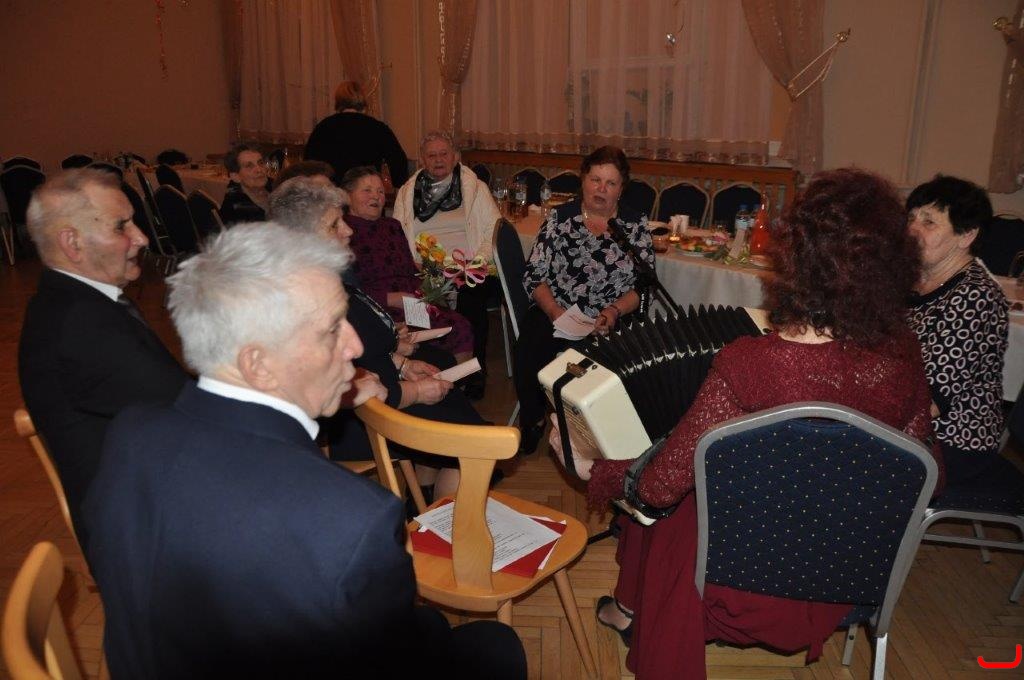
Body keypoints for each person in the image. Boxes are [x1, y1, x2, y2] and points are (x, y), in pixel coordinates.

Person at [81, 223, 526, 679]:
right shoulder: (352, 518)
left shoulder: (130, 434)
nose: (355, 345)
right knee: (497, 645)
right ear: (258, 363)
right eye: (332, 329)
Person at [551, 168, 945, 679]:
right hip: (846, 574)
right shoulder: (903, 356)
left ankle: (638, 613)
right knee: (692, 474)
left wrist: (592, 467)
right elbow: (927, 470)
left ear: (796, 259)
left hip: (735, 578)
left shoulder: (748, 363)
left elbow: (657, 488)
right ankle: (630, 610)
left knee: (675, 494)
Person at [269, 177, 486, 499]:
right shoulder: (309, 298)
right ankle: (444, 521)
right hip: (357, 421)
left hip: (380, 396)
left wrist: (400, 364)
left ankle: (425, 500)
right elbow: (338, 382)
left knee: (458, 407)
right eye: (335, 224)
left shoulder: (321, 278)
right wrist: (414, 391)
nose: (348, 230)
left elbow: (363, 351)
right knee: (480, 449)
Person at [18, 169, 189, 543]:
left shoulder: (77, 301)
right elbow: (193, 413)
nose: (141, 237)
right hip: (143, 534)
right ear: (72, 243)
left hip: (152, 491)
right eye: (121, 226)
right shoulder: (82, 325)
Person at [515, 145, 654, 455]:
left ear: (621, 189)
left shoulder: (634, 225)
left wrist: (614, 311)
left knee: (615, 357)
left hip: (610, 317)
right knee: (531, 340)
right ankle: (534, 418)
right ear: (583, 181)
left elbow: (643, 288)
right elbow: (534, 275)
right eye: (595, 180)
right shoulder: (560, 218)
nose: (601, 189)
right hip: (558, 309)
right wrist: (554, 310)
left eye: (610, 183)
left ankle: (592, 432)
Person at [905, 175, 1009, 483]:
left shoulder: (976, 296)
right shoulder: (910, 281)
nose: (912, 230)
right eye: (911, 218)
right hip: (908, 425)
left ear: (966, 235)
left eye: (929, 222)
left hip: (950, 441)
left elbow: (931, 402)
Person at [393, 131, 501, 398]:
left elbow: (493, 230)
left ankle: (474, 372)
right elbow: (397, 235)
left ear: (455, 157)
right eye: (431, 155)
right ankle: (434, 369)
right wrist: (416, 265)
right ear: (422, 160)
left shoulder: (475, 188)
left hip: (470, 265)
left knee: (471, 299)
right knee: (417, 300)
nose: (438, 160)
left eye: (444, 154)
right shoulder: (407, 193)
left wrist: (475, 263)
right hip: (424, 267)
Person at [341, 166, 476, 365]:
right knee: (440, 339)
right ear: (347, 196)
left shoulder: (392, 226)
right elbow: (347, 288)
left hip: (412, 303)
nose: (376, 196)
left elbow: (410, 269)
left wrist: (432, 285)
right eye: (367, 190)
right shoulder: (343, 232)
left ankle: (458, 380)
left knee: (459, 325)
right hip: (377, 308)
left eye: (380, 191)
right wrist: (393, 298)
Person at [304, 80, 409, 187]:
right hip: (365, 190)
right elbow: (399, 162)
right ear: (363, 102)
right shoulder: (377, 128)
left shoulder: (323, 128)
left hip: (332, 191)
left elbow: (308, 166)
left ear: (338, 102)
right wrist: (398, 185)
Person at [220, 143, 269, 224]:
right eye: (249, 166)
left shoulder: (274, 186)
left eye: (260, 163)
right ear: (236, 177)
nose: (259, 170)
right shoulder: (237, 208)